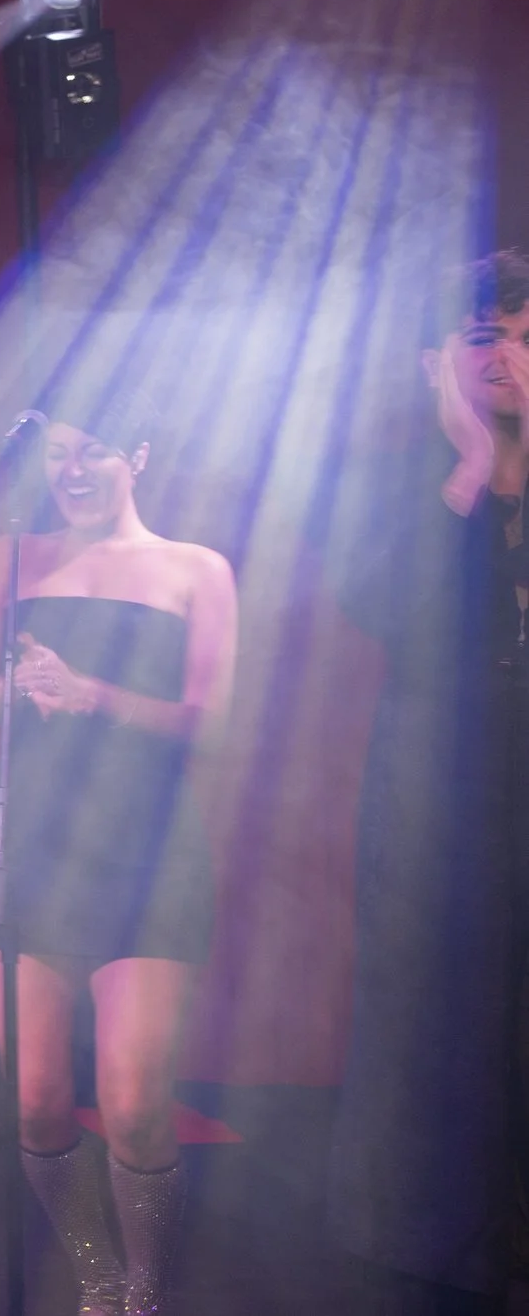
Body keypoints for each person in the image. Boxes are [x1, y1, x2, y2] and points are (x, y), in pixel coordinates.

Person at [0, 396, 236, 1316]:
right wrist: (19, 685)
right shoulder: (11, 557)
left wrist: (94, 693)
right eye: (58, 454)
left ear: (140, 455)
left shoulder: (197, 569)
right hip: (28, 843)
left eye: (95, 453)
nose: (71, 471)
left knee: (134, 1102)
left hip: (149, 853)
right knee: (36, 1100)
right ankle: (96, 1276)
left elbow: (212, 720)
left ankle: (145, 1291)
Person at [328, 250, 529, 1315]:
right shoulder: (395, 482)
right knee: (434, 1018)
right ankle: (428, 1253)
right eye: (481, 337)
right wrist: (464, 466)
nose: (504, 358)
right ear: (435, 363)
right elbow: (383, 607)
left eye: (523, 335)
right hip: (435, 789)